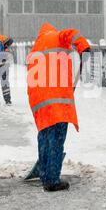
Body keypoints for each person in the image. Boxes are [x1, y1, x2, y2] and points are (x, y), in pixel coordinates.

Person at [26, 23, 91, 192]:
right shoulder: (55, 36)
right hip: (56, 99)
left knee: (45, 136)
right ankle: (52, 180)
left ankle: (44, 173)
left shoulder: (35, 49)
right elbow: (72, 33)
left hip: (39, 100)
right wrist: (84, 48)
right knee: (56, 138)